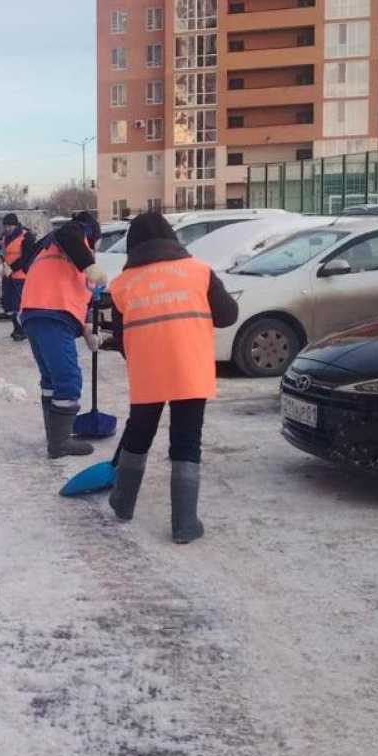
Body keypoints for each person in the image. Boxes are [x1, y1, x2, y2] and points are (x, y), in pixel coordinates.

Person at [106, 212, 239, 544]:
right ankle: (184, 524)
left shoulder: (122, 284)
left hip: (148, 371)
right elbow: (228, 315)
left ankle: (123, 503)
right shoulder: (199, 272)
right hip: (190, 370)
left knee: (139, 434)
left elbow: (120, 339)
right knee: (186, 439)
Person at [19, 211, 105, 458]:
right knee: (68, 380)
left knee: (51, 380)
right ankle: (60, 443)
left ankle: (54, 437)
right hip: (51, 313)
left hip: (36, 313)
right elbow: (69, 231)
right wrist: (89, 264)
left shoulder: (53, 250)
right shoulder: (75, 234)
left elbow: (76, 292)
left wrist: (87, 330)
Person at [0, 213, 37, 341]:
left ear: (16, 225)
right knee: (9, 305)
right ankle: (16, 328)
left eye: (10, 226)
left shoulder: (26, 236)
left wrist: (13, 268)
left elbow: (27, 257)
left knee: (19, 305)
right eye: (5, 226)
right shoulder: (4, 237)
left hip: (21, 276)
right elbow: (4, 254)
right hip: (8, 275)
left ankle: (23, 330)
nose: (7, 228)